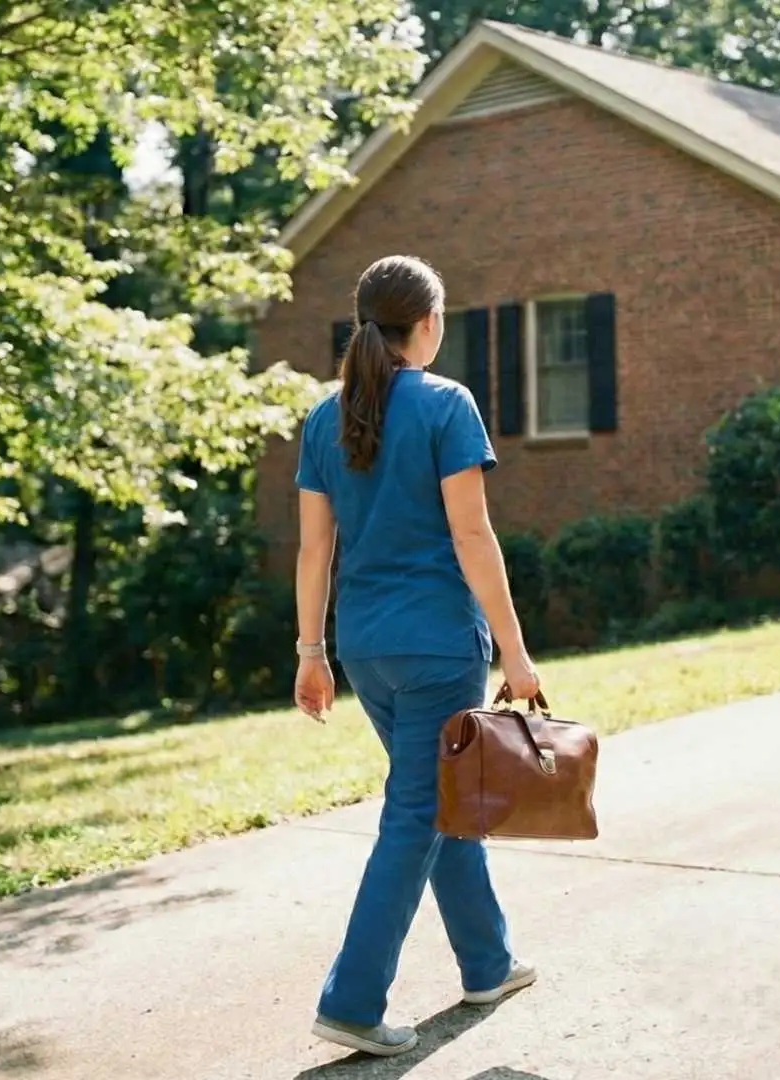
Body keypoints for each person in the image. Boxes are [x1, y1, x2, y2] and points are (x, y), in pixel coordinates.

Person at [292, 254, 543, 1058]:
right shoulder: (447, 404)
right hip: (438, 649)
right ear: (427, 324)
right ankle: (353, 999)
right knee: (416, 814)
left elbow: (312, 551)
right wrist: (517, 653)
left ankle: (488, 962)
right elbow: (473, 536)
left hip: (366, 651)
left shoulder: (323, 419)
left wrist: (310, 652)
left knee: (443, 802)